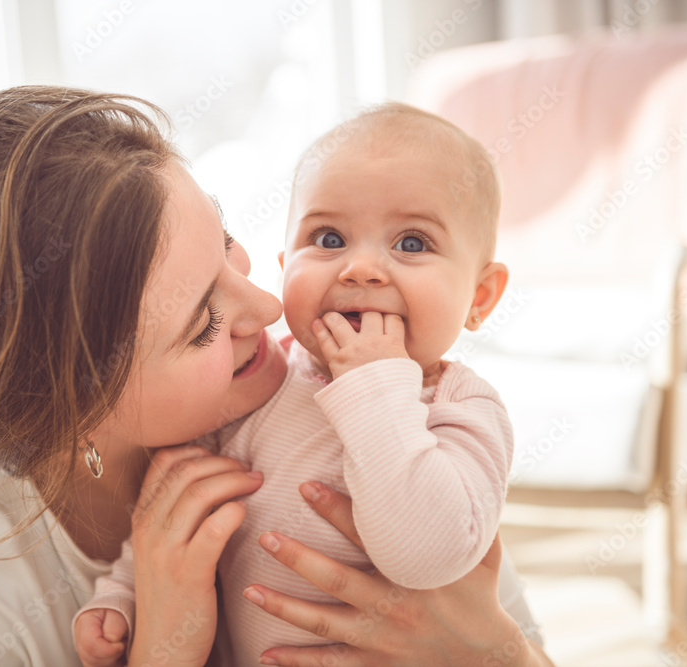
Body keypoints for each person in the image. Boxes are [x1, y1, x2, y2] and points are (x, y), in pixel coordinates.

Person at [0, 86, 553, 666]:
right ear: (73, 409)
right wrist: (162, 645)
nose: (267, 304)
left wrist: (495, 654)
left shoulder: (379, 400)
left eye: (227, 241)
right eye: (203, 321)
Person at [75, 101, 528, 666]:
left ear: (479, 298)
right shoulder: (262, 388)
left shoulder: (459, 409)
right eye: (330, 238)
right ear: (288, 263)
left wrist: (376, 386)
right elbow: (173, 516)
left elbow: (429, 556)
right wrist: (122, 596)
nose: (360, 268)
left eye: (412, 243)